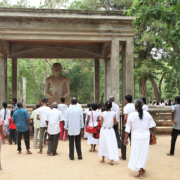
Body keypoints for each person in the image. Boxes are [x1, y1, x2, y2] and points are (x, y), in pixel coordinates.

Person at [124, 99, 156, 179]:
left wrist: (125, 138)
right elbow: (152, 125)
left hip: (136, 137)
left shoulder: (131, 115)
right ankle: (142, 168)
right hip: (145, 136)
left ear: (135, 105)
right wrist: (151, 133)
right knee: (143, 153)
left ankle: (140, 173)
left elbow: (127, 129)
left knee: (137, 154)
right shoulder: (147, 114)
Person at [99, 101, 119, 165]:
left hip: (104, 130)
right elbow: (115, 123)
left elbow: (101, 123)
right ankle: (112, 160)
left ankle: (103, 159)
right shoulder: (113, 113)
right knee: (111, 144)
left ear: (105, 106)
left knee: (103, 143)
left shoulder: (103, 113)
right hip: (111, 130)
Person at [121, 95, 135, 160]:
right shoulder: (135, 106)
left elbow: (125, 118)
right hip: (134, 125)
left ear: (126, 100)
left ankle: (123, 156)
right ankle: (134, 156)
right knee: (133, 141)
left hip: (127, 126)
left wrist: (123, 124)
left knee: (124, 140)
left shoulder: (126, 107)